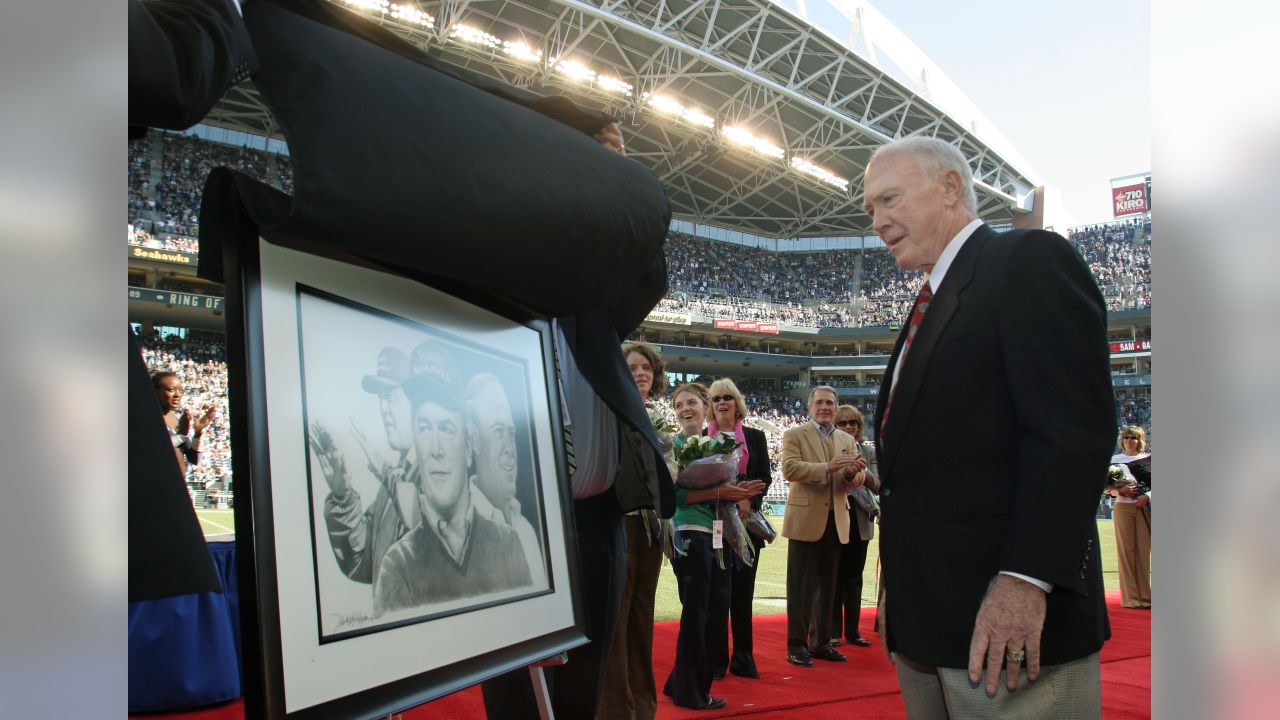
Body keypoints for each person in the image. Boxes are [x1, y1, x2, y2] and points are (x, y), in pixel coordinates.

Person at [864, 137, 1115, 718]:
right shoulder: (932, 297)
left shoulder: (1025, 261)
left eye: (890, 199)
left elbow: (1071, 435)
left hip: (1008, 629)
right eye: (870, 209)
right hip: (931, 628)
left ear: (950, 187)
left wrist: (1026, 581)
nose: (878, 221)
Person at [374, 362, 531, 614]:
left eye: (447, 429)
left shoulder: (508, 543)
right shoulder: (397, 565)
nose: (435, 449)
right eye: (424, 429)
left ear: (469, 448)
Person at [662, 383, 765, 710]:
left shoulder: (717, 446)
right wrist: (721, 494)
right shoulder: (671, 448)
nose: (685, 409)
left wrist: (738, 490)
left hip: (719, 534)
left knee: (713, 613)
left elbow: (720, 488)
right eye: (679, 405)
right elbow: (674, 497)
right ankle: (691, 693)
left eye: (691, 402)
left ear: (704, 407)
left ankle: (680, 681)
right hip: (690, 532)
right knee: (697, 614)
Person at [598, 342, 670, 720]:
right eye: (633, 367)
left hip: (650, 526)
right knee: (618, 618)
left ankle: (643, 705)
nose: (641, 373)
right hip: (620, 521)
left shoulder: (657, 416)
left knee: (642, 618)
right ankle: (615, 708)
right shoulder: (609, 410)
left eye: (647, 368)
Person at [312, 347, 415, 588]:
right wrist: (342, 498)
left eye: (390, 396)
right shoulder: (392, 484)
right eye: (380, 398)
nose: (383, 408)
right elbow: (361, 564)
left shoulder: (438, 477)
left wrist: (386, 474)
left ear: (416, 403)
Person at [780, 386, 868, 668]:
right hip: (806, 520)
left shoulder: (846, 439)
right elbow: (790, 469)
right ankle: (797, 645)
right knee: (800, 587)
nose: (825, 407)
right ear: (809, 406)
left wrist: (854, 473)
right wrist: (828, 468)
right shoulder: (795, 434)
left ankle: (820, 643)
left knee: (829, 587)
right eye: (819, 402)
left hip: (837, 521)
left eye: (830, 402)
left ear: (836, 405)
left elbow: (854, 477)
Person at [706, 377, 772, 679]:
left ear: (737, 403)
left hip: (747, 523)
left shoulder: (756, 437)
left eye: (727, 398)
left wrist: (749, 499)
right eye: (717, 398)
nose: (722, 403)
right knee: (718, 594)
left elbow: (765, 477)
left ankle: (743, 658)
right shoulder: (703, 439)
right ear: (711, 405)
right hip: (715, 525)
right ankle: (716, 660)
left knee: (743, 595)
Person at [467, 372, 543, 580]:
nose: (510, 448)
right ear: (474, 439)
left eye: (511, 432)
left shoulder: (525, 531)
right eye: (498, 431)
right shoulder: (461, 532)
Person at [830, 404, 880, 648]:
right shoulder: (830, 448)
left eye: (853, 423)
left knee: (854, 577)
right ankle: (832, 631)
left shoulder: (868, 452)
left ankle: (853, 630)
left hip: (860, 521)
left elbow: (878, 485)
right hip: (835, 518)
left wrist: (861, 469)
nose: (849, 427)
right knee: (833, 577)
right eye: (843, 423)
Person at [1109, 426, 1151, 609]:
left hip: (1145, 508)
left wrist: (1147, 497)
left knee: (1143, 551)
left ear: (1140, 440)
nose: (1129, 440)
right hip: (1123, 507)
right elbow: (1107, 488)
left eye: (1133, 437)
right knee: (1126, 552)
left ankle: (1146, 597)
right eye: (1126, 437)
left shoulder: (1150, 459)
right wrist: (1119, 490)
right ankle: (1131, 598)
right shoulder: (1114, 460)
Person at [152, 370, 217, 477]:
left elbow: (195, 459)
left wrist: (198, 433)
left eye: (180, 390)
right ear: (155, 391)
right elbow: (155, 453)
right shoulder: (147, 417)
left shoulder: (177, 418)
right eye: (171, 390)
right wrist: (181, 434)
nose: (177, 395)